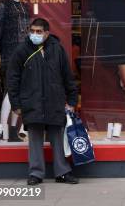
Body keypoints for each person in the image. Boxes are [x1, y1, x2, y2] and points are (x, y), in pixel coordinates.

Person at [7, 18, 79, 186]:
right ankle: (36, 173)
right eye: (32, 31)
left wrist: (72, 100)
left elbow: (68, 77)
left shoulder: (57, 49)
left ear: (47, 33)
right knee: (35, 140)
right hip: (32, 102)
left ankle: (62, 172)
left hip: (55, 102)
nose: (35, 34)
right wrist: (16, 104)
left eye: (39, 32)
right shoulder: (22, 50)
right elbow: (12, 79)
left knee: (58, 139)